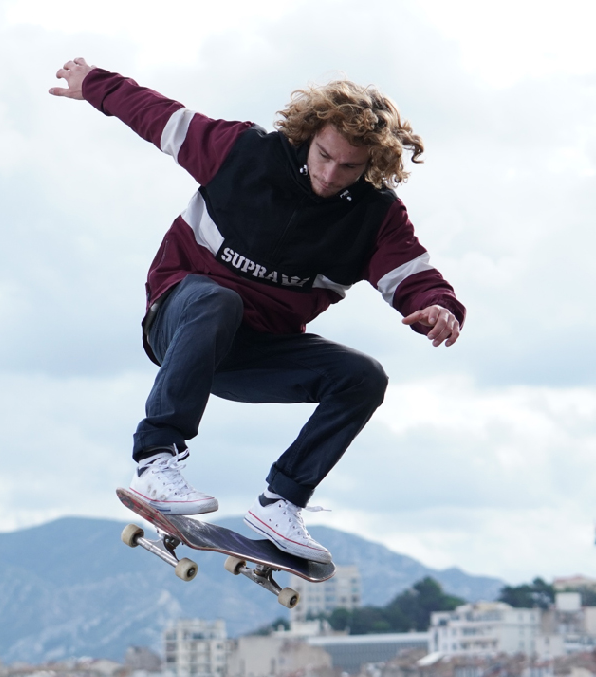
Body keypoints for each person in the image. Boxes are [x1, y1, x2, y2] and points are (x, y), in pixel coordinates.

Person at [50, 58, 464, 563]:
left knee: (363, 377)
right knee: (218, 299)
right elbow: (161, 118)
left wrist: (438, 307)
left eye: (348, 167)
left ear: (371, 165)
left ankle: (281, 503)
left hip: (255, 353)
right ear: (309, 135)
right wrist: (95, 84)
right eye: (324, 155)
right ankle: (156, 460)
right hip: (180, 320)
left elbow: (414, 277)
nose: (329, 175)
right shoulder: (241, 153)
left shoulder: (375, 217)